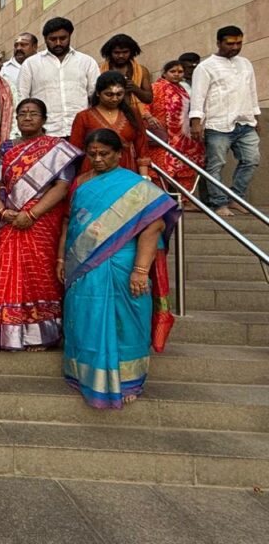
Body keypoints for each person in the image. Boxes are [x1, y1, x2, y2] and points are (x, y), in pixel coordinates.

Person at [60, 129, 178, 409]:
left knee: (126, 319)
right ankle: (85, 374)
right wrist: (61, 260)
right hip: (85, 265)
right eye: (93, 154)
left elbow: (155, 226)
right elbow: (69, 223)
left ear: (119, 154)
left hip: (125, 263)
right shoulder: (81, 183)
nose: (98, 159)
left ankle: (128, 381)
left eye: (105, 154)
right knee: (86, 314)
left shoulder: (136, 186)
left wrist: (140, 270)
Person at [0, 98, 80, 351]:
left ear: (44, 119)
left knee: (39, 272)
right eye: (22, 114)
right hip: (8, 217)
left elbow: (62, 186)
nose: (27, 118)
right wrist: (0, 210)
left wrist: (31, 214)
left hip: (42, 219)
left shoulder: (57, 148)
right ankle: (8, 334)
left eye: (33, 114)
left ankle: (41, 333)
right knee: (7, 271)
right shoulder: (6, 147)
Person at [189, 25, 260, 217]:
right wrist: (196, 122)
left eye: (238, 43)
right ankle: (218, 203)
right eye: (230, 43)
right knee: (216, 165)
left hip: (245, 122)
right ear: (219, 43)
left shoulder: (245, 63)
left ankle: (236, 198)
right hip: (217, 124)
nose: (235, 47)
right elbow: (198, 96)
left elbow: (252, 91)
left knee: (251, 160)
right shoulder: (205, 67)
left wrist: (256, 116)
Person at [18, 18, 99, 138]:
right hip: (45, 133)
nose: (58, 43)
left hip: (80, 132)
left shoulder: (86, 62)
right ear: (45, 39)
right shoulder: (31, 64)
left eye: (63, 38)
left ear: (70, 36)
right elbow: (22, 98)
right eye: (53, 39)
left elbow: (95, 97)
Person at [70, 71, 149, 176]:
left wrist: (144, 176)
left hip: (126, 168)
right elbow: (75, 151)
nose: (115, 99)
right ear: (98, 93)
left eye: (119, 94)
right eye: (109, 94)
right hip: (94, 170)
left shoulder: (132, 113)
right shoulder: (83, 117)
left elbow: (141, 146)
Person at [147, 60, 205, 198]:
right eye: (172, 72)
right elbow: (144, 104)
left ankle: (185, 199)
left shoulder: (184, 90)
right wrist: (148, 117)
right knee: (159, 169)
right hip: (163, 136)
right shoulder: (155, 87)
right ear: (164, 73)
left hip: (183, 138)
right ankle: (159, 200)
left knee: (186, 168)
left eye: (180, 72)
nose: (176, 75)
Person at [100, 33, 153, 107]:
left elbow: (149, 99)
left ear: (131, 52)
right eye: (116, 52)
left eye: (125, 52)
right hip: (108, 114)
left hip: (133, 114)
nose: (121, 56)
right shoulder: (99, 70)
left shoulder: (142, 70)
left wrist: (135, 88)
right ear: (110, 53)